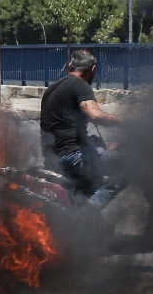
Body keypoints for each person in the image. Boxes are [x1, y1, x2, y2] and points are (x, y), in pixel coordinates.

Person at [39, 49, 121, 206]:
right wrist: (126, 122)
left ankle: (83, 216)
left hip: (53, 159)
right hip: (72, 157)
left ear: (70, 65)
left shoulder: (51, 89)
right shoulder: (80, 85)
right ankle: (91, 208)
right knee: (133, 164)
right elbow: (95, 115)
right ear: (93, 69)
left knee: (97, 144)